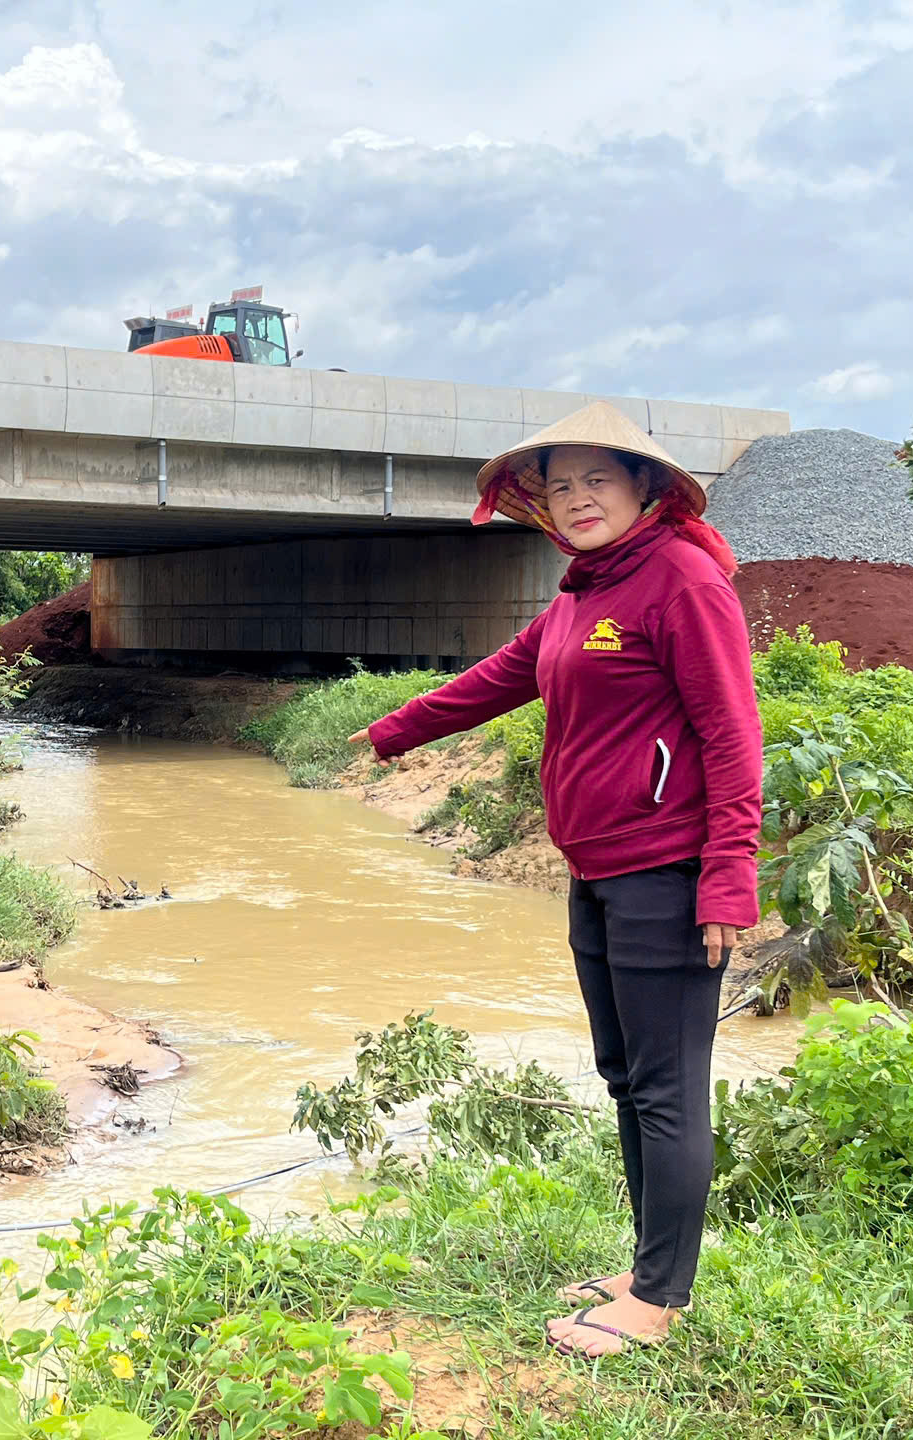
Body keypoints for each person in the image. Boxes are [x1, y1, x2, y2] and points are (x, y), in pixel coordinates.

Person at [347, 402, 761, 1358]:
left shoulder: (683, 582)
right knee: (625, 1078)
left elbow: (734, 737)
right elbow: (503, 674)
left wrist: (728, 880)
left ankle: (659, 1301)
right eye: (560, 484)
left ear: (645, 488)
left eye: (597, 481)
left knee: (666, 1089)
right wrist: (394, 729)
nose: (575, 499)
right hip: (598, 872)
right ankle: (647, 1267)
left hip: (668, 871)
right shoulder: (584, 591)